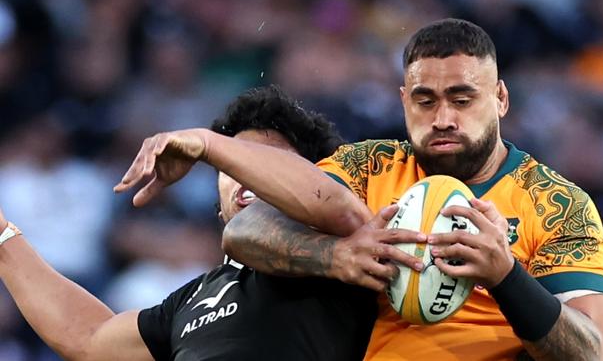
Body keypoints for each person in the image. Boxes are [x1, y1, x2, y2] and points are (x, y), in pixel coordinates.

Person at [117, 19, 603, 360]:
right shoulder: (367, 168)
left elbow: (590, 351)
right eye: (425, 100)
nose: (443, 118)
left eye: (463, 99)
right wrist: (336, 256)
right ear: (402, 101)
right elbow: (247, 229)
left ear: (501, 98)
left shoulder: (558, 205)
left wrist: (506, 276)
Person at [0, 85, 384, 361]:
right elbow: (88, 338)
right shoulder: (192, 299)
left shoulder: (348, 251)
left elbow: (330, 202)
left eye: (265, 160)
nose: (245, 174)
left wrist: (206, 142)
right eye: (231, 165)